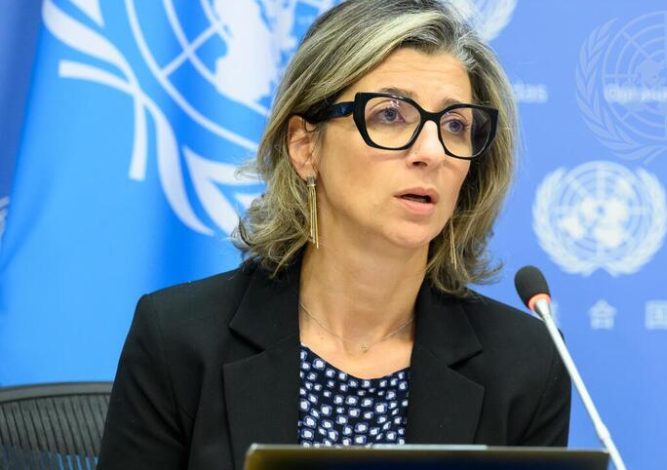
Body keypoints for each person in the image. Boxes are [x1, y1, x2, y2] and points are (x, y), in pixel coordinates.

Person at [98, 1, 571, 468]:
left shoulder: (527, 365)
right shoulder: (178, 339)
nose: (432, 152)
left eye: (454, 125)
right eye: (390, 115)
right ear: (305, 146)